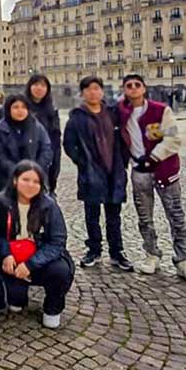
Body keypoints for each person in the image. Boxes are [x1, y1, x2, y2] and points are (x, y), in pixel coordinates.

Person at [120, 74, 186, 284]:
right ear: (124, 90)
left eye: (137, 85)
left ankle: (184, 260)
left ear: (144, 88)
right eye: (128, 86)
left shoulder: (161, 110)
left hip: (165, 169)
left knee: (175, 215)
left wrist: (154, 157)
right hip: (139, 171)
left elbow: (174, 138)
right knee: (144, 216)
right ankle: (152, 253)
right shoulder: (121, 112)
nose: (133, 88)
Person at [0, 161, 74, 328]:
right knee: (15, 302)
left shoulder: (49, 206)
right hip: (11, 259)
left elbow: (57, 242)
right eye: (25, 179)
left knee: (61, 271)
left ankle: (52, 307)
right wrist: (5, 253)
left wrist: (30, 264)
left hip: (38, 257)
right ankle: (17, 294)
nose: (30, 185)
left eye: (36, 182)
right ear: (15, 180)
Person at [63, 76, 132, 271]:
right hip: (91, 172)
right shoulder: (77, 116)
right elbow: (69, 144)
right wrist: (83, 162)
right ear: (83, 93)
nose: (93, 92)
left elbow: (124, 137)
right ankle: (94, 250)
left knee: (114, 215)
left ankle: (117, 251)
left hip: (114, 170)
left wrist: (123, 161)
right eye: (88, 89)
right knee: (91, 214)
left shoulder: (112, 113)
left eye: (96, 88)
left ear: (102, 92)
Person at [0, 94, 53, 195]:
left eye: (23, 107)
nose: (20, 111)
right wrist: (17, 172)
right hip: (6, 180)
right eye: (16, 107)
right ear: (9, 109)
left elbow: (46, 149)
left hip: (34, 177)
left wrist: (35, 168)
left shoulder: (37, 127)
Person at [25, 74, 62, 195]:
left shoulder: (51, 110)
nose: (39, 88)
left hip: (46, 159)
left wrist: (54, 163)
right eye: (36, 84)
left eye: (43, 85)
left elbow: (56, 138)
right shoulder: (22, 107)